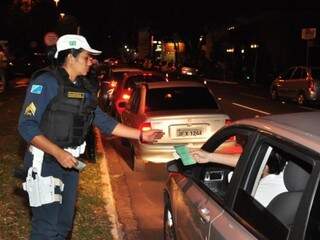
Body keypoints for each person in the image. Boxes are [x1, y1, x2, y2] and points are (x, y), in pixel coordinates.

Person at [18, 34, 164, 240]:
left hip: (70, 165)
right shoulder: (45, 82)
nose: (91, 61)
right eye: (87, 57)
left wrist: (141, 135)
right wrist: (58, 153)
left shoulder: (83, 89)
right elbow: (26, 126)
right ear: (70, 57)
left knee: (63, 225)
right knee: (46, 229)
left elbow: (103, 121)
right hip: (45, 163)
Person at [190, 148, 287, 207]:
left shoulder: (257, 193)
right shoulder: (287, 171)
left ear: (264, 167)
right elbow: (247, 160)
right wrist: (209, 157)